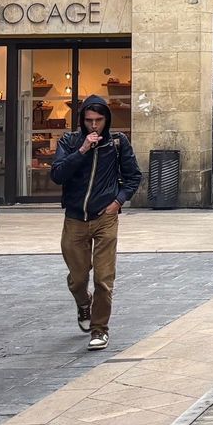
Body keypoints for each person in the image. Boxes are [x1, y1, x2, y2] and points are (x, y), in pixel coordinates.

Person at [49, 96, 142, 352]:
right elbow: (57, 175)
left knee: (103, 278)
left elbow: (134, 176)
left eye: (99, 120)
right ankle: (83, 302)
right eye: (89, 120)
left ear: (106, 120)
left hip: (105, 217)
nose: (94, 125)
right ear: (81, 120)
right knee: (78, 278)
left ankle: (99, 329)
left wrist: (118, 201)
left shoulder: (117, 142)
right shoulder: (69, 142)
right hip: (75, 218)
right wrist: (82, 151)